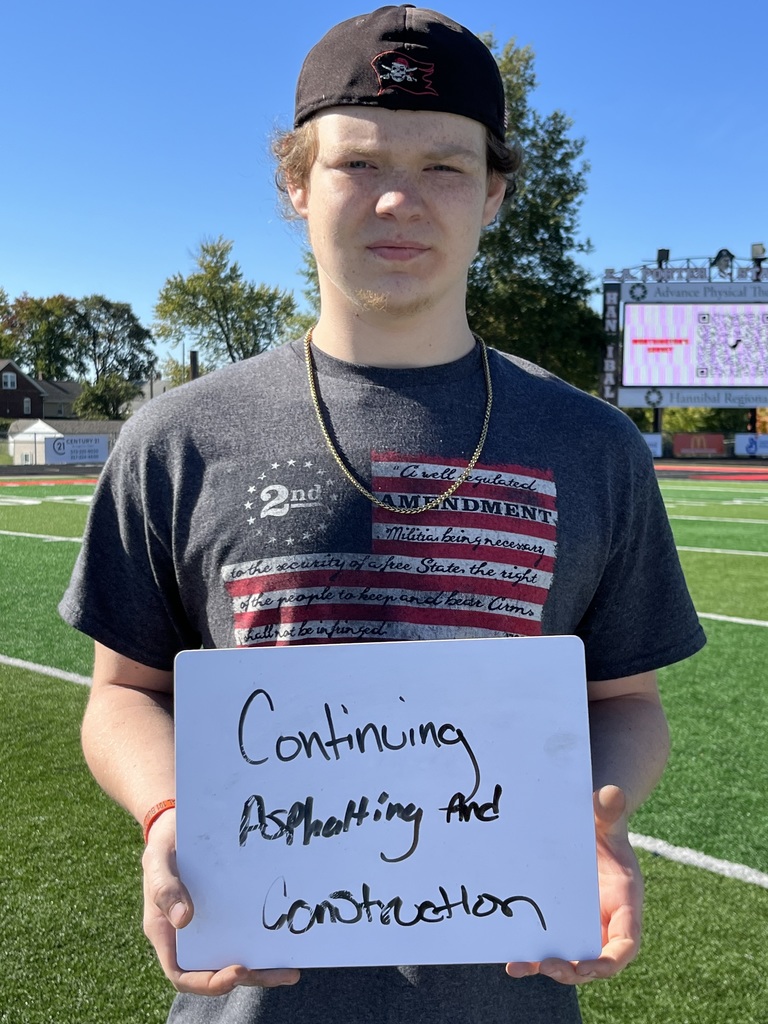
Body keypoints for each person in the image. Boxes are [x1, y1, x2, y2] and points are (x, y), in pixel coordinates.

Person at [60, 6, 706, 1023]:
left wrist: (595, 813)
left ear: (494, 192)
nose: (399, 199)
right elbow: (122, 694)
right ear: (296, 183)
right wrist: (166, 808)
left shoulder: (594, 446)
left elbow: (626, 701)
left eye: (444, 166)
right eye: (358, 162)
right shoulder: (178, 438)